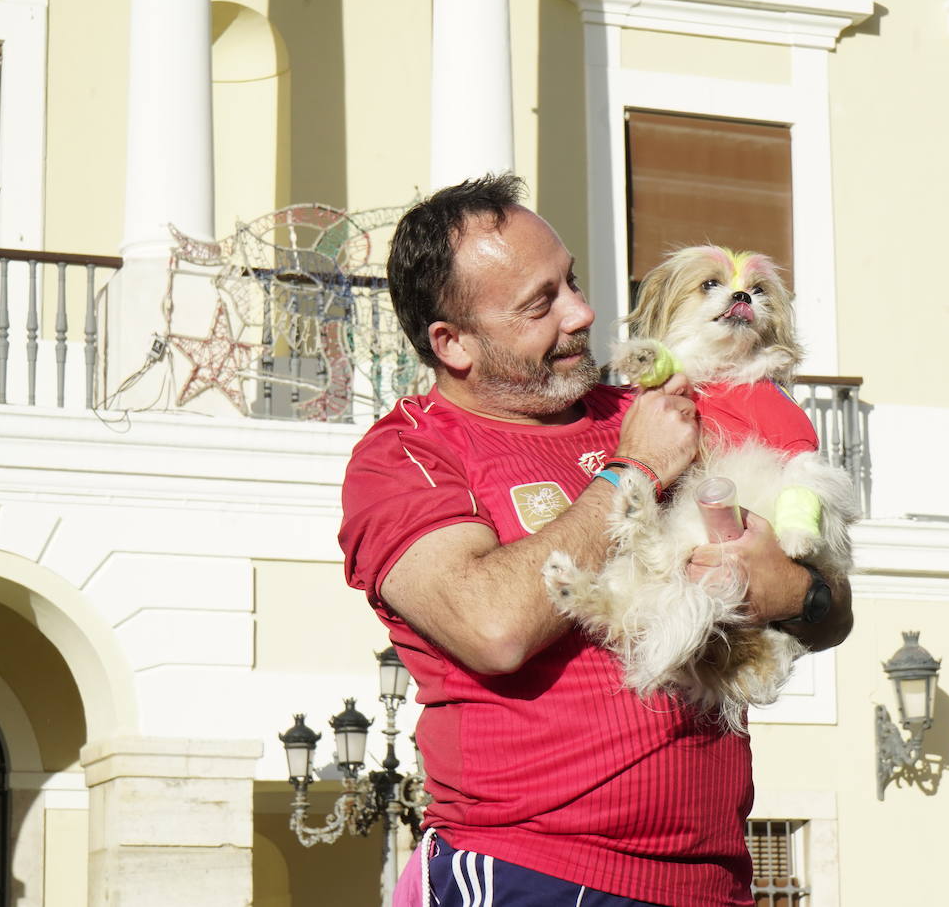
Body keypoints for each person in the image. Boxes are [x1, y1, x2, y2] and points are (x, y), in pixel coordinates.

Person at [339, 174, 852, 907]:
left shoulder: (654, 405)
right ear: (453, 344)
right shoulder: (406, 458)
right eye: (540, 304)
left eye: (572, 281)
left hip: (715, 880)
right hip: (535, 873)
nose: (582, 313)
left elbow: (832, 611)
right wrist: (633, 471)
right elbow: (493, 626)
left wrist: (798, 591)